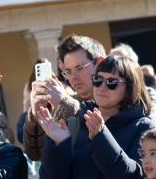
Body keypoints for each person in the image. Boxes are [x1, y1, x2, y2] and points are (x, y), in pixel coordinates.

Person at [23, 34, 106, 162]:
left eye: (80, 68)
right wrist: (37, 115)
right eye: (68, 72)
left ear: (100, 63)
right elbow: (37, 155)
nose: (74, 77)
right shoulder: (64, 105)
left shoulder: (117, 100)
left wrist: (64, 102)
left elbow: (99, 146)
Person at [110, 43, 156, 122]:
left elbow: (149, 122)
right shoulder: (103, 91)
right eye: (110, 61)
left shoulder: (147, 93)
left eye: (120, 61)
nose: (113, 66)